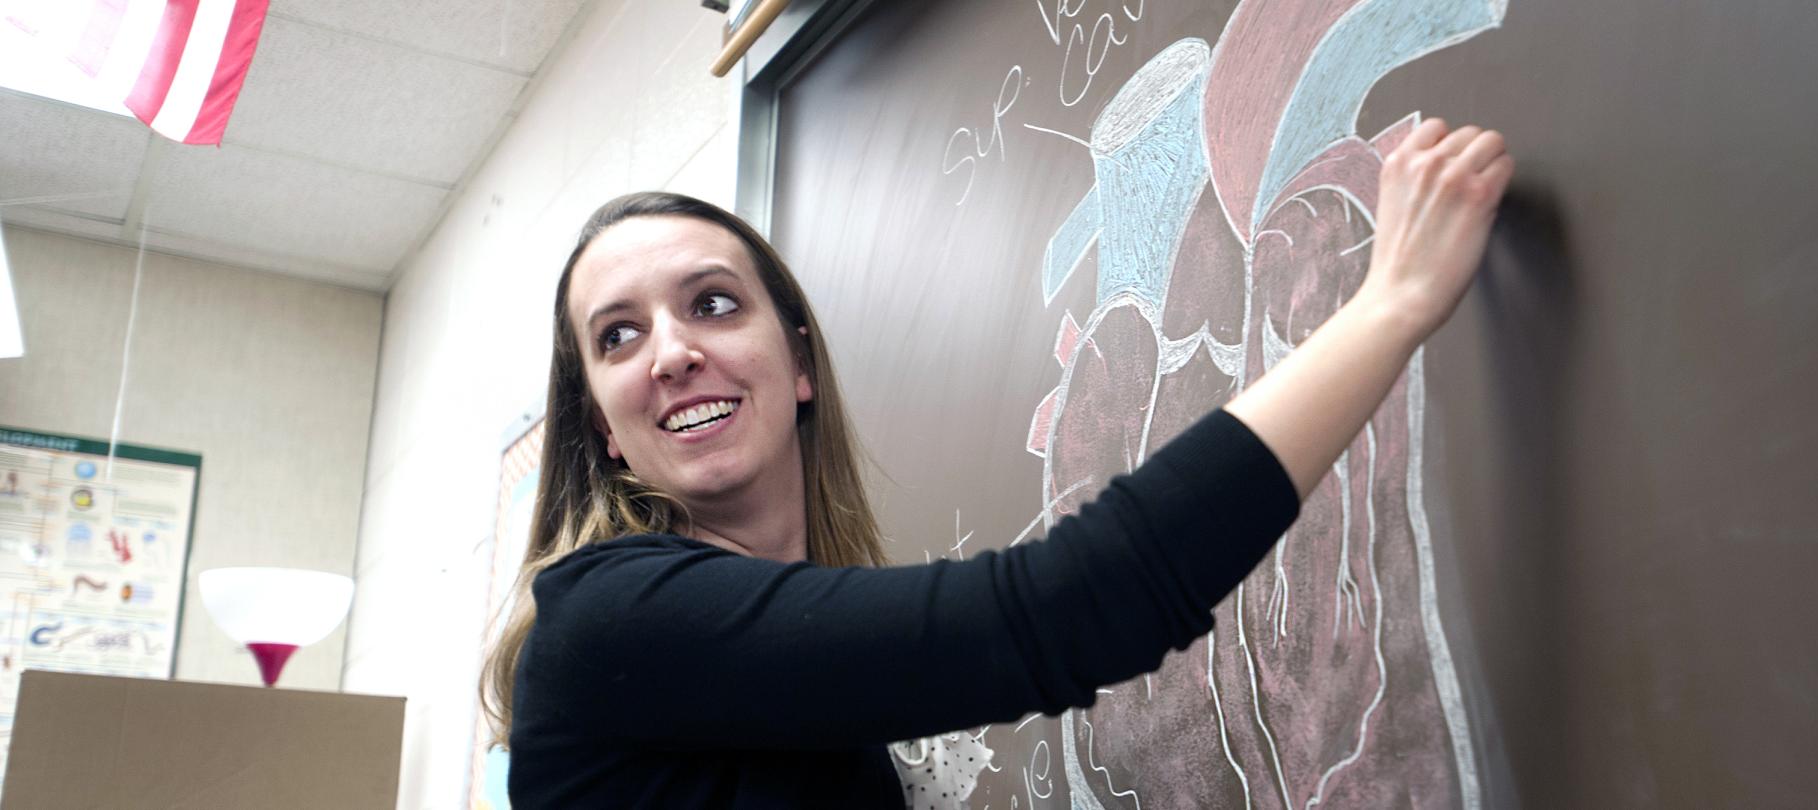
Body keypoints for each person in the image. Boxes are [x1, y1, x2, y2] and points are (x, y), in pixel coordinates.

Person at [481, 117, 1514, 807]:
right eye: (617, 337)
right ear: (606, 429)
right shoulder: (614, 618)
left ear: (799, 360)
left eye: (711, 303)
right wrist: (1389, 308)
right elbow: (1068, 609)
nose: (670, 352)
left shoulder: (773, 679)